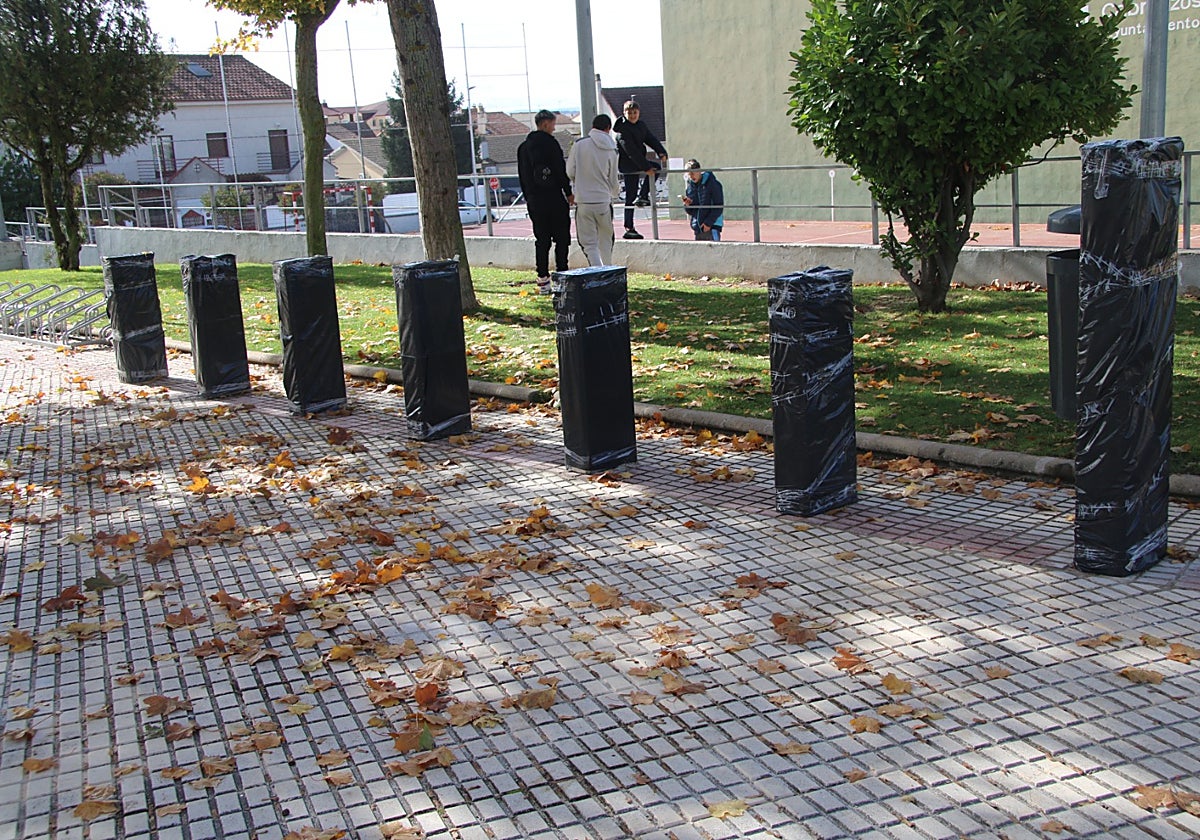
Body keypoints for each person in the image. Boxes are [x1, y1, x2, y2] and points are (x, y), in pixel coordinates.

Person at [517, 109, 574, 294]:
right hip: (554, 197)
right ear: (545, 124)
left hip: (535, 199)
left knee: (542, 240)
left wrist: (529, 196)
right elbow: (559, 169)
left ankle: (543, 279)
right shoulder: (551, 144)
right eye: (553, 123)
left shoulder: (524, 148)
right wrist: (568, 192)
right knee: (562, 238)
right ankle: (562, 275)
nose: (554, 127)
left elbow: (523, 176)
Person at [566, 114, 620, 267]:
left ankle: (597, 270)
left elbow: (570, 170)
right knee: (606, 240)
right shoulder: (612, 149)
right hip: (603, 200)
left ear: (592, 126)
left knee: (589, 243)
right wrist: (613, 193)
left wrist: (579, 183)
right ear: (608, 128)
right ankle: (608, 269)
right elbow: (613, 179)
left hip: (583, 200)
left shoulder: (579, 145)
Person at [613, 100, 668, 240]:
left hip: (638, 163)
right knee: (630, 196)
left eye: (635, 113)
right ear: (624, 114)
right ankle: (629, 227)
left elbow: (651, 139)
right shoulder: (622, 131)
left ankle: (643, 196)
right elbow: (631, 151)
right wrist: (646, 167)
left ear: (639, 113)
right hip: (629, 165)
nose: (632, 115)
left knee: (656, 168)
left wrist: (661, 151)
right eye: (629, 113)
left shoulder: (641, 126)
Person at [682, 159, 724, 241]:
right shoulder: (690, 188)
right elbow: (691, 211)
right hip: (698, 227)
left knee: (715, 251)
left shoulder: (713, 184)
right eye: (688, 174)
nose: (691, 176)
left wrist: (708, 223)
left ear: (699, 171)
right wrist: (688, 205)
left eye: (692, 173)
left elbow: (719, 206)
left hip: (712, 226)